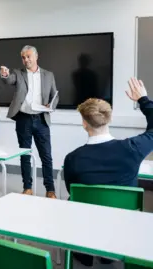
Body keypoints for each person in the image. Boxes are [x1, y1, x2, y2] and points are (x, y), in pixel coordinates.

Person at [62, 77, 153, 267]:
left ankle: (84, 252)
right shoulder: (132, 149)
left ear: (84, 123)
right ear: (109, 119)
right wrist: (143, 99)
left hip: (87, 223)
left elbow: (72, 191)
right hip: (122, 223)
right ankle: (110, 251)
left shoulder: (73, 159)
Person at [0, 45, 59, 198]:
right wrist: (5, 75)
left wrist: (51, 105)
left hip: (41, 119)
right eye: (23, 57)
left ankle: (50, 189)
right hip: (24, 119)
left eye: (28, 56)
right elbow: (8, 80)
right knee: (25, 155)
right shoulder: (18, 74)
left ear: (36, 56)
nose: (26, 60)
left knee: (46, 156)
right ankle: (27, 187)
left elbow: (55, 95)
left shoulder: (48, 75)